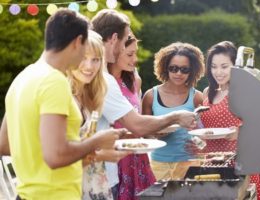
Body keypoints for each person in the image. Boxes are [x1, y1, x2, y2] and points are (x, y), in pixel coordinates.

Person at [0, 9, 126, 200]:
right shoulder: (54, 81)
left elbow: (5, 145)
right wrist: (97, 140)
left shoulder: (24, 76)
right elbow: (56, 156)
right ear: (78, 42)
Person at [91, 9, 197, 199]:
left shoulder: (101, 77)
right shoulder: (102, 79)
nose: (125, 51)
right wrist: (175, 116)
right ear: (114, 39)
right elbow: (137, 123)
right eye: (125, 45)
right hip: (103, 171)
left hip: (112, 167)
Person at [67, 30, 131, 200]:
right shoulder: (62, 95)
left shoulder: (89, 94)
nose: (89, 66)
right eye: (83, 58)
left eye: (95, 60)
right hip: (71, 189)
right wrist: (102, 154)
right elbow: (58, 157)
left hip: (93, 185)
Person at [200, 41, 260, 200]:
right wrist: (198, 143)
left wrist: (239, 133)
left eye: (224, 66)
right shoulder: (208, 92)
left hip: (240, 166)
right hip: (212, 165)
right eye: (214, 66)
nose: (218, 72)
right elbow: (207, 127)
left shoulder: (243, 92)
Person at [141, 42, 205, 180]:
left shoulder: (197, 97)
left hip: (190, 162)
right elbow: (144, 132)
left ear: (192, 70)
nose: (178, 73)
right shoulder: (151, 96)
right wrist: (155, 135)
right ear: (165, 68)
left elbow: (204, 132)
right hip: (158, 164)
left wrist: (200, 144)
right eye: (173, 68)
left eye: (184, 69)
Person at [108, 35, 156, 200]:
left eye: (136, 53)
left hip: (136, 158)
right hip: (112, 159)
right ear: (115, 51)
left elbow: (138, 119)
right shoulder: (100, 82)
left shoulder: (135, 81)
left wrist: (156, 129)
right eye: (130, 54)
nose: (135, 59)